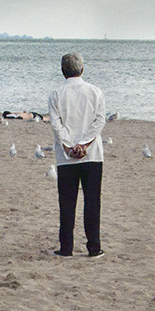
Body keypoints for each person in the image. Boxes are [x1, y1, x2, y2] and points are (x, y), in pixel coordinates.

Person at [48, 52, 106, 258]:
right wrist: (85, 144)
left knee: (67, 203)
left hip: (67, 157)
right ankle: (94, 247)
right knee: (92, 202)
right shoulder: (95, 91)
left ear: (63, 71)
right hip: (92, 155)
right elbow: (99, 121)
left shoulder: (56, 94)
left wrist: (69, 146)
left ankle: (66, 248)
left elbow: (56, 124)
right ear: (82, 69)